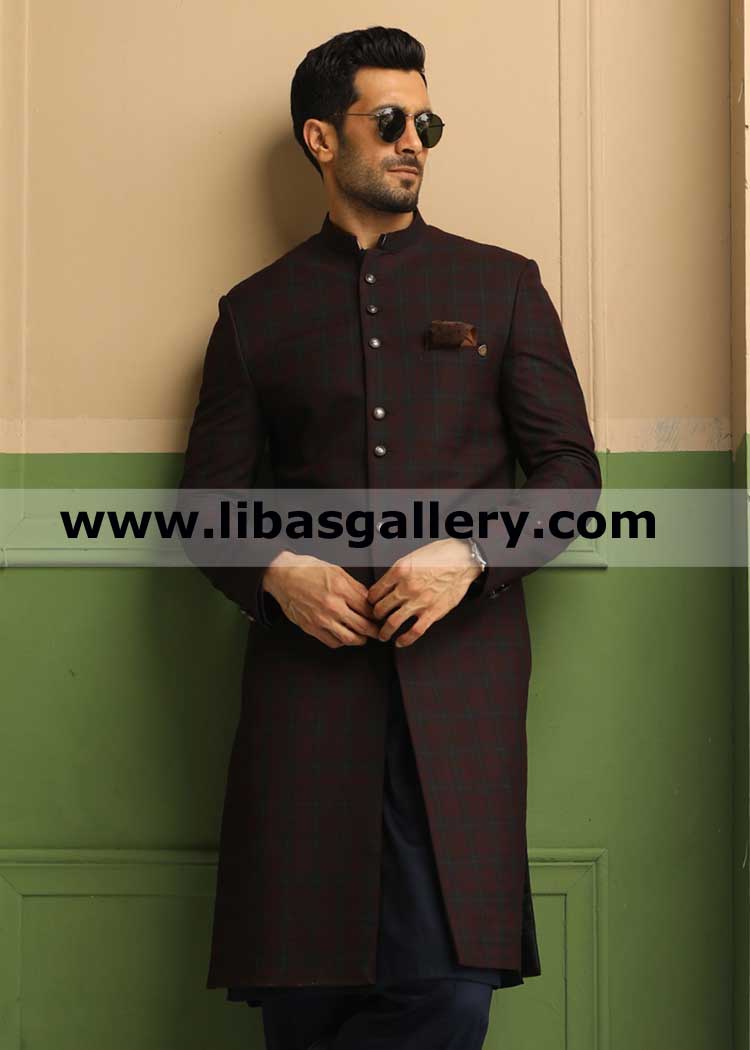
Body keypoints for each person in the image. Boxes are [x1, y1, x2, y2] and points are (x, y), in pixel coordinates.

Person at [178, 24, 601, 1050]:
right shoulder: (255, 313)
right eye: (391, 120)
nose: (415, 140)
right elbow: (205, 505)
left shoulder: (503, 286)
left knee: (449, 991)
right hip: (305, 691)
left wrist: (470, 554)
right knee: (304, 996)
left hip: (460, 683)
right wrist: (277, 571)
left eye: (427, 123)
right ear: (322, 139)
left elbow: (571, 477)